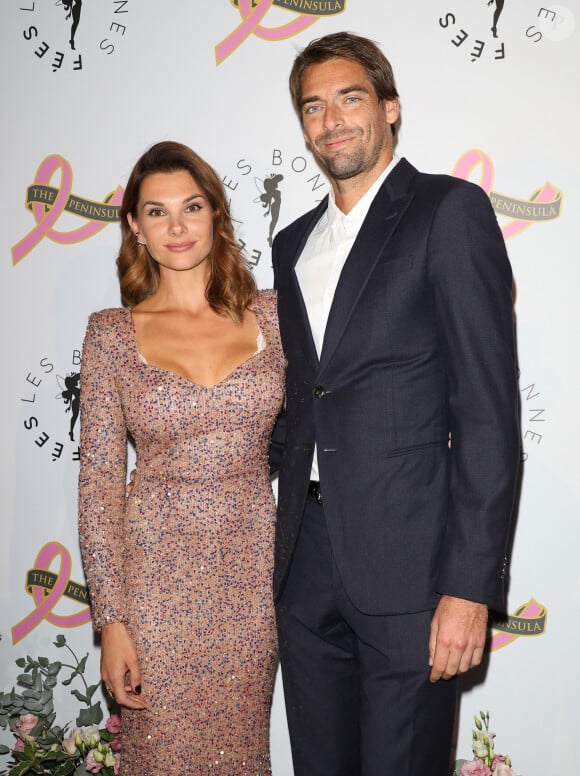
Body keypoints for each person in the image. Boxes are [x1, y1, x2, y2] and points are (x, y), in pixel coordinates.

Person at [270, 32, 520, 775]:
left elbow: (487, 413)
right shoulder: (290, 245)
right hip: (304, 563)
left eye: (349, 98)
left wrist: (469, 589)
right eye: (313, 106)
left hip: (413, 568)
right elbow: (301, 399)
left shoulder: (448, 211)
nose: (331, 120)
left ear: (390, 108)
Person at [78, 141, 285, 775]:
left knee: (242, 755)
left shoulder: (275, 318)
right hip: (152, 587)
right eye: (157, 211)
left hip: (251, 581)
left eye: (192, 207)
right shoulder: (111, 334)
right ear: (135, 227)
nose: (177, 226)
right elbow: (98, 489)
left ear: (216, 215)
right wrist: (111, 620)